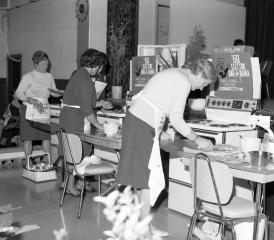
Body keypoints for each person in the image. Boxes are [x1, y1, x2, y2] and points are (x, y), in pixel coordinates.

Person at [116, 58, 217, 237]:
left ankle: (144, 224)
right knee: (146, 179)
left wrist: (159, 131)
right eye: (204, 83)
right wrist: (198, 139)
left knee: (143, 178)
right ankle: (144, 230)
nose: (202, 88)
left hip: (138, 122)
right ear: (200, 74)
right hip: (141, 125)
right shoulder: (184, 81)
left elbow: (159, 102)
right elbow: (177, 119)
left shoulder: (175, 73)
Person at [60, 48, 111, 196]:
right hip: (75, 119)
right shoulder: (84, 79)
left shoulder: (80, 75)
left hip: (71, 117)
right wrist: (99, 125)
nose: (101, 70)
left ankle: (76, 182)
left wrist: (100, 103)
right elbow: (86, 109)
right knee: (75, 153)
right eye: (101, 67)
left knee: (76, 153)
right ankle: (70, 186)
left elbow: (83, 100)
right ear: (95, 65)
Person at [15, 51, 61, 163]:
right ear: (35, 64)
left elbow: (53, 92)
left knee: (45, 137)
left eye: (47, 64)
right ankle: (28, 162)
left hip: (43, 109)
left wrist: (61, 92)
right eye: (43, 64)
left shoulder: (49, 76)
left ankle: (48, 161)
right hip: (29, 109)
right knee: (28, 138)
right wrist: (28, 99)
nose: (46, 66)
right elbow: (18, 93)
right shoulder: (28, 77)